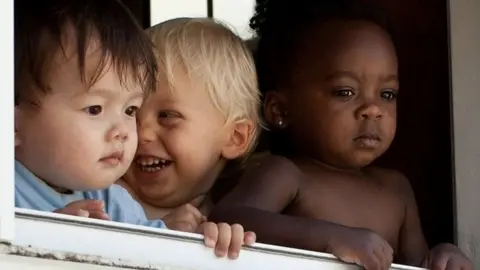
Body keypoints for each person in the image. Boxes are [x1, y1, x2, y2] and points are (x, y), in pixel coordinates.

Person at [209, 0, 473, 269]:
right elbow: (228, 218)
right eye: (345, 92)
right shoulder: (285, 174)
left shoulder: (397, 191)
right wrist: (330, 238)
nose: (373, 109)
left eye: (387, 94)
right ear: (281, 110)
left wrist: (442, 257)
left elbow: (415, 262)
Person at [14, 0, 254, 258]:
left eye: (130, 110)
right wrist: (38, 234)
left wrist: (204, 241)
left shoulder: (114, 203)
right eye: (95, 109)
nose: (127, 132)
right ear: (12, 123)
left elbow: (157, 255)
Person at [117, 17, 261, 258]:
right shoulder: (97, 197)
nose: (141, 132)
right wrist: (158, 235)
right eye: (131, 112)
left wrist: (223, 247)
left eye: (167, 116)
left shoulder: (225, 219)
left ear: (234, 138)